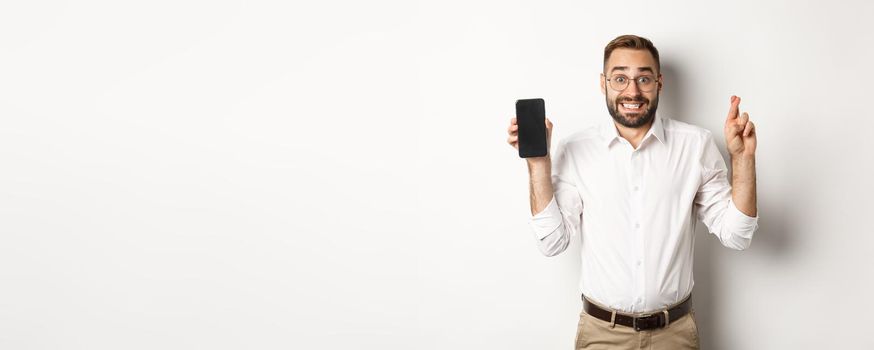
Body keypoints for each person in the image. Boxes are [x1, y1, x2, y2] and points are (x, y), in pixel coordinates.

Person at [505, 35, 759, 349]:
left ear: (659, 83)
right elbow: (552, 242)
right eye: (621, 78)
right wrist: (538, 163)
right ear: (604, 83)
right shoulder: (576, 150)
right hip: (602, 335)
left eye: (644, 78)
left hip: (674, 335)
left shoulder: (695, 145)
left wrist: (743, 159)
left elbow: (737, 235)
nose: (632, 91)